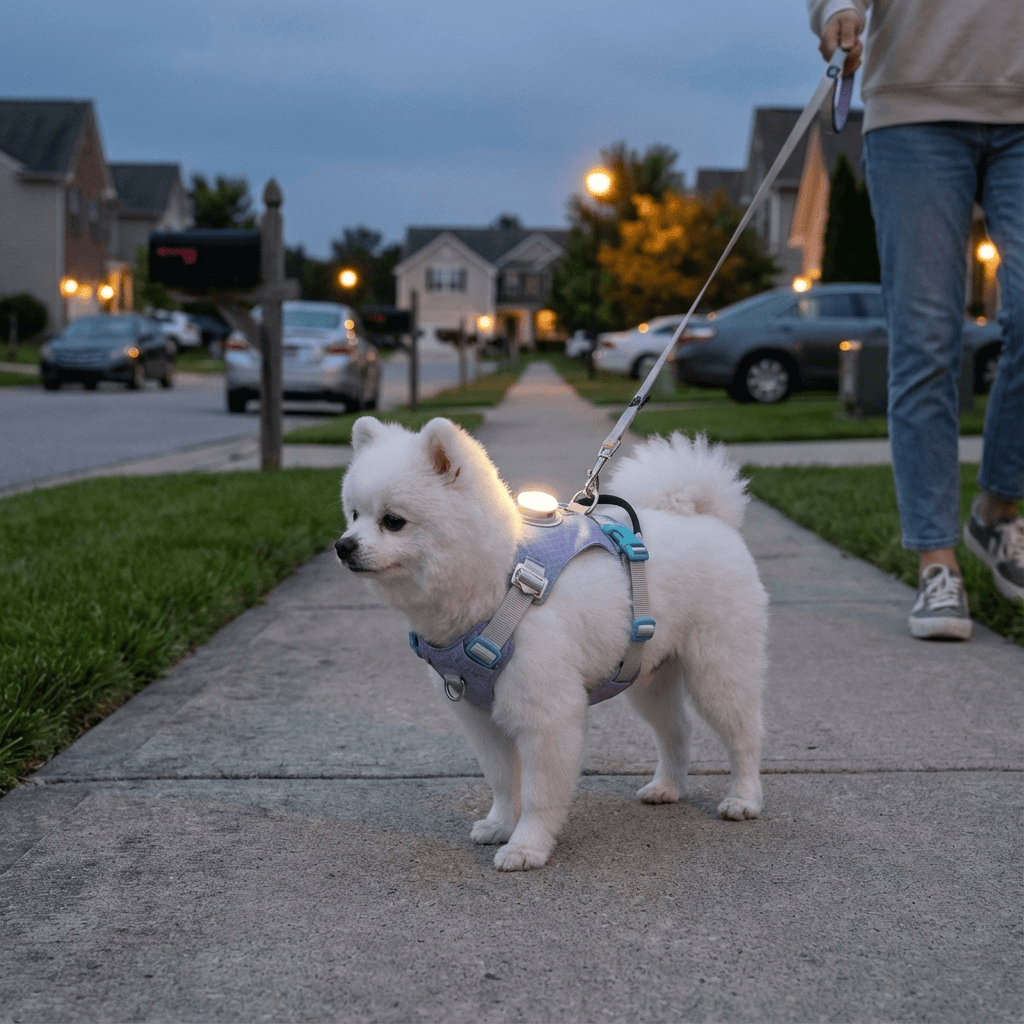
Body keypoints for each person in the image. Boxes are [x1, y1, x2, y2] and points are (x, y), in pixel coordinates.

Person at [808, 0, 1024, 640]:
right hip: (914, 111)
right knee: (926, 338)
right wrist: (838, 10)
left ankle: (995, 510)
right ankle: (937, 560)